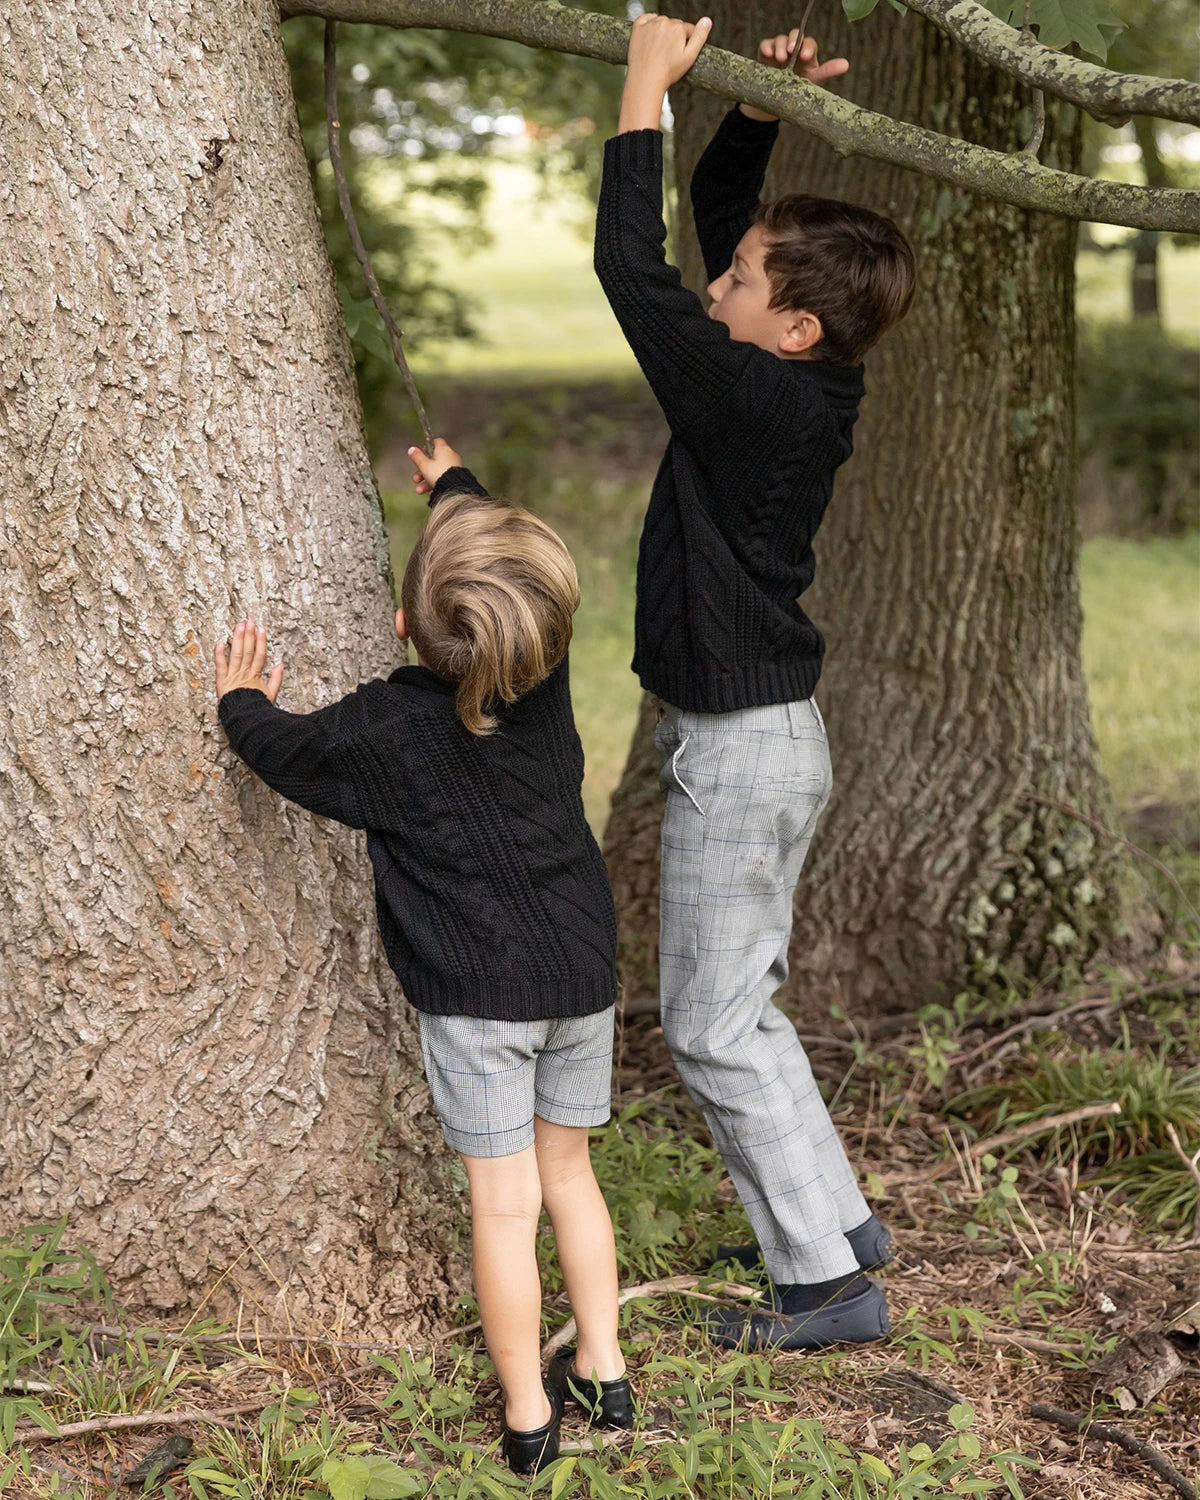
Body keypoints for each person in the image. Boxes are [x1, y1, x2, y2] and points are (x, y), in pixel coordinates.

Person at [213, 443, 633, 1471]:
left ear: (403, 624)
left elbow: (285, 752)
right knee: (570, 1179)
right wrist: (458, 486)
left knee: (504, 1207)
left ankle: (531, 1417)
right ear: (541, 631)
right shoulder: (543, 673)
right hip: (583, 974)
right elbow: (512, 583)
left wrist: (238, 702)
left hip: (481, 998)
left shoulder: (383, 733)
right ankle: (609, 1372)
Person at [594, 17, 917, 1351]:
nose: (710, 283)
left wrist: (641, 88)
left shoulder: (750, 397)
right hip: (764, 735)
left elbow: (628, 265)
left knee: (712, 1026)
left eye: (734, 281)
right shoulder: (796, 377)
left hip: (744, 749)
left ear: (783, 328)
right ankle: (831, 1229)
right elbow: (731, 222)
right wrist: (758, 113)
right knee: (742, 1012)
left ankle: (827, 1295)